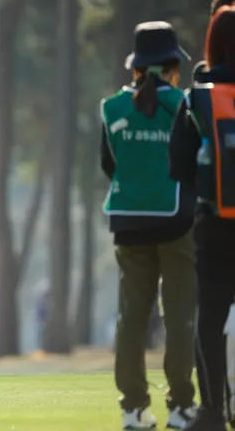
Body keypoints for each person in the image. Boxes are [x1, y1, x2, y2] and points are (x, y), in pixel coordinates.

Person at [100, 21, 197, 430]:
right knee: (179, 317)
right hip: (176, 223)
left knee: (132, 319)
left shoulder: (112, 108)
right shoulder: (184, 104)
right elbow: (193, 163)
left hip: (128, 223)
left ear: (136, 67)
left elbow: (109, 165)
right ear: (172, 67)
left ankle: (133, 410)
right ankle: (181, 407)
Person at [170, 5, 235, 431]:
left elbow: (178, 165)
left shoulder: (198, 98)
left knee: (210, 316)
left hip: (214, 222)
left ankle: (212, 410)